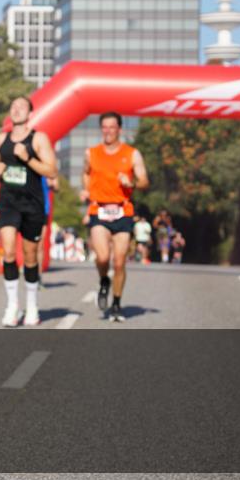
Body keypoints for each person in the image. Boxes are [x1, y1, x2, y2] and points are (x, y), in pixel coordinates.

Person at [0, 96, 58, 327]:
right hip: (8, 202)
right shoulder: (1, 138)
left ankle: (32, 304)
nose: (16, 110)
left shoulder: (38, 139)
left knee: (29, 256)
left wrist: (28, 159)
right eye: (13, 106)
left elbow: (51, 171)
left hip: (32, 203)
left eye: (22, 107)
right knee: (8, 251)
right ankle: (12, 306)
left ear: (30, 114)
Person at [80, 112, 149, 322]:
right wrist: (87, 191)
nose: (108, 131)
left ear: (120, 129)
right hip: (99, 210)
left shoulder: (132, 154)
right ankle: (103, 281)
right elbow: (85, 173)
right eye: (104, 127)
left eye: (112, 127)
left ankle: (117, 303)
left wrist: (132, 183)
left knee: (119, 262)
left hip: (123, 210)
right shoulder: (91, 153)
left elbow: (144, 180)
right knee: (102, 257)